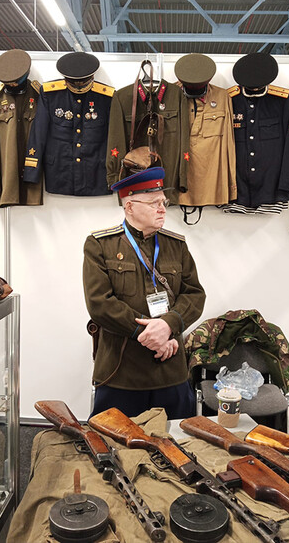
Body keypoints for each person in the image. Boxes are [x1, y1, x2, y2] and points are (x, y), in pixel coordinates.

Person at [83, 167, 206, 419]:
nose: (162, 209)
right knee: (112, 438)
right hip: (121, 371)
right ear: (129, 206)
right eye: (153, 203)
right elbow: (99, 304)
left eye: (163, 202)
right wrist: (151, 334)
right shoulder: (100, 245)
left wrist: (168, 325)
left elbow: (194, 295)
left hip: (170, 369)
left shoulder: (176, 245)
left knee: (176, 439)